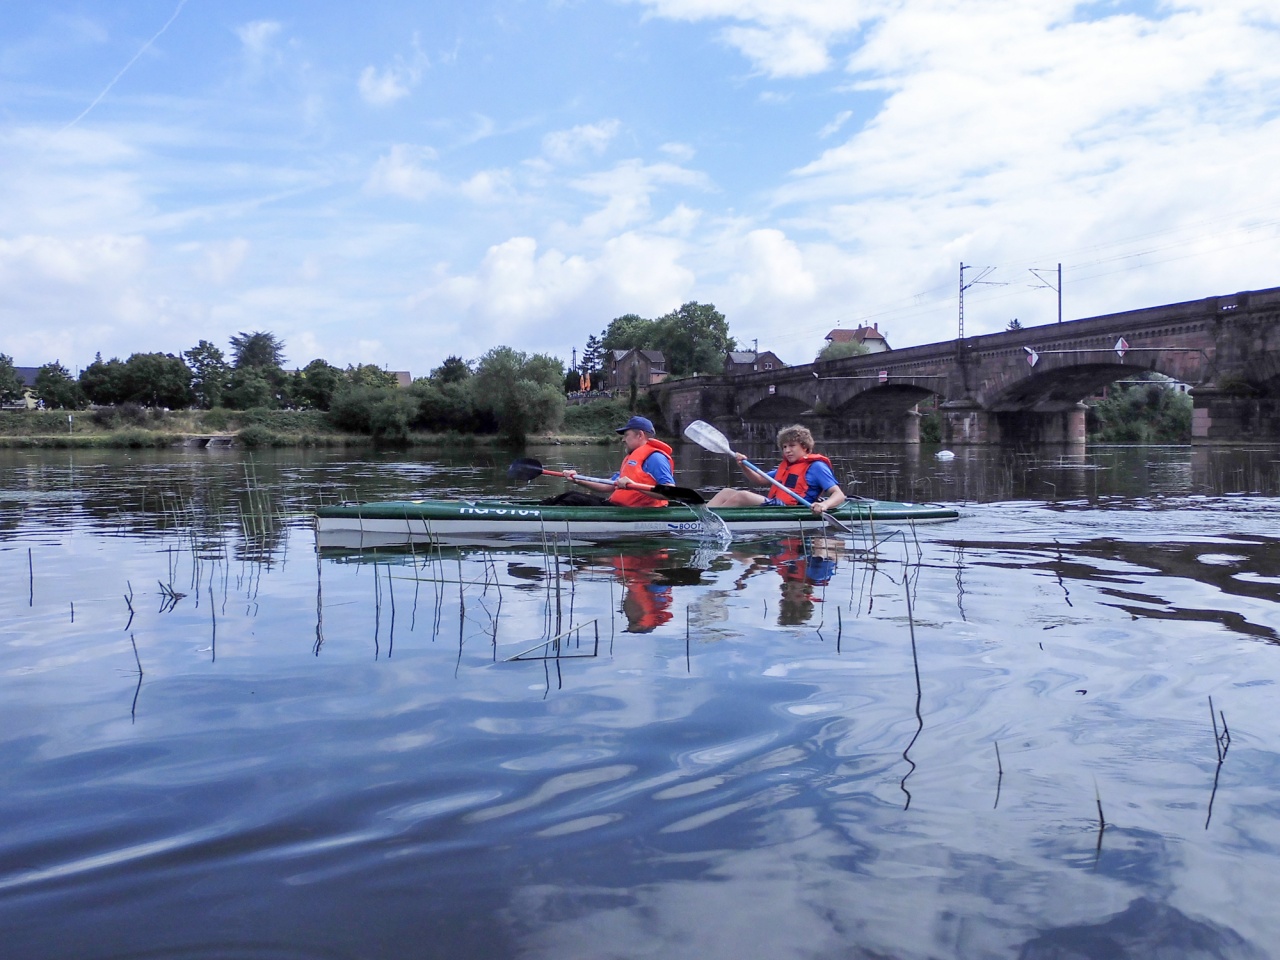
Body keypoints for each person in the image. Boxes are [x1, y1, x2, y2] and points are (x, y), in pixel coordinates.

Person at [706, 423, 847, 516]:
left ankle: (709, 522)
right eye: (784, 447)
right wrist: (743, 465)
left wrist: (823, 505)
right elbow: (760, 480)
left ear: (805, 447)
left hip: (793, 509)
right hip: (777, 505)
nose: (787, 450)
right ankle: (701, 516)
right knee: (726, 492)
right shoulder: (786, 467)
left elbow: (839, 495)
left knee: (743, 496)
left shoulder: (817, 467)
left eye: (792, 446)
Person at [553, 415, 676, 507]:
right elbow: (608, 485)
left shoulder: (656, 458)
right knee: (569, 495)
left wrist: (634, 485)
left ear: (640, 435)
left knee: (573, 500)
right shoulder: (631, 458)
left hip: (637, 512)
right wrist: (577, 479)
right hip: (617, 507)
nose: (623, 440)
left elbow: (670, 492)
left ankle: (541, 519)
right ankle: (540, 509)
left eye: (626, 435)